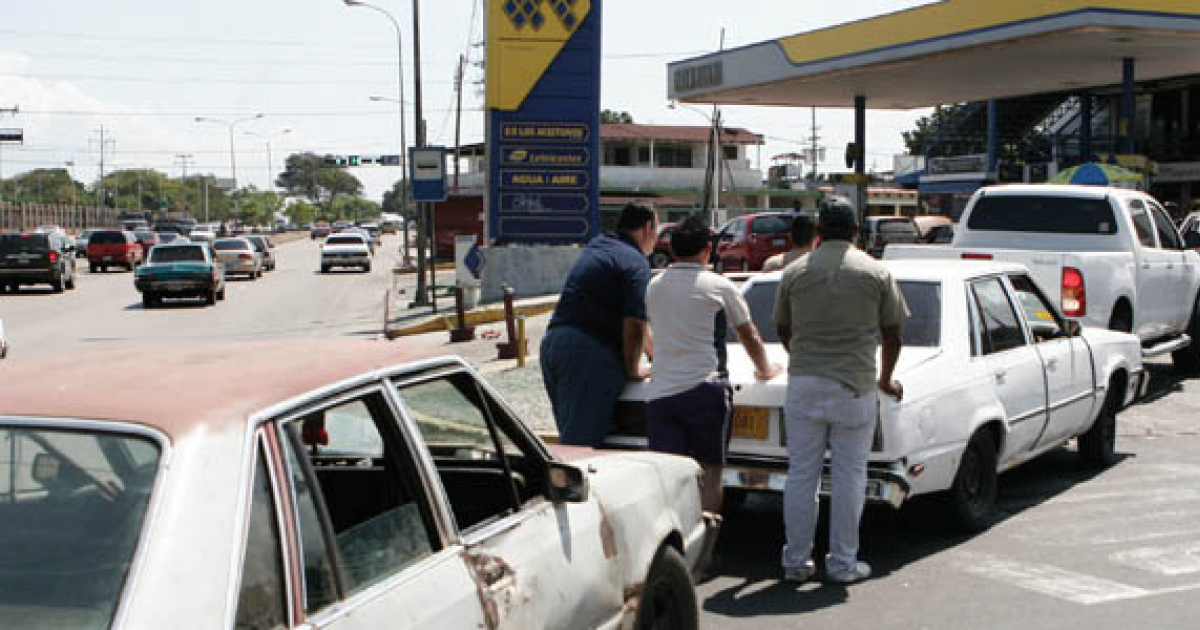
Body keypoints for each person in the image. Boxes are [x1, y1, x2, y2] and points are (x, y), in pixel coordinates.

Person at [774, 201, 908, 585]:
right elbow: (894, 334)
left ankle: (796, 562)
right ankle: (842, 564)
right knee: (850, 476)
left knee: (802, 476)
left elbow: (783, 328)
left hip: (803, 383)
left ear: (819, 231)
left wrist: (801, 355)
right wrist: (885, 378)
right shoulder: (876, 272)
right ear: (854, 231)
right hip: (855, 385)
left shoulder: (795, 272)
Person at [645, 217, 781, 515]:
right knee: (711, 475)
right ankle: (705, 549)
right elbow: (749, 335)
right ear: (708, 249)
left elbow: (647, 330)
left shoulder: (654, 287)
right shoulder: (719, 286)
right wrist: (767, 369)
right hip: (705, 392)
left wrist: (655, 360)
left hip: (661, 396)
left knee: (667, 479)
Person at [540, 203, 658, 447]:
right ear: (648, 228)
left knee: (573, 433)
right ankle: (564, 486)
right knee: (579, 448)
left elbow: (637, 320)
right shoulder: (636, 262)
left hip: (554, 345)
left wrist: (654, 354)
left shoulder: (599, 247)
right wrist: (634, 370)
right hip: (588, 353)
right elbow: (635, 324)